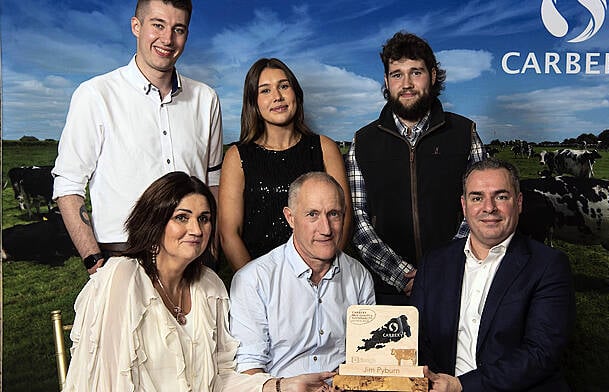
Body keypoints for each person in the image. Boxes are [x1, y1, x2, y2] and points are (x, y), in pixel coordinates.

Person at [63, 172, 335, 391]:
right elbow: (108, 384)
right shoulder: (123, 277)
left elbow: (219, 379)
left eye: (204, 219)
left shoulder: (209, 286)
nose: (196, 230)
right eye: (182, 217)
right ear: (156, 221)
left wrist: (281, 385)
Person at [52, 0, 223, 274]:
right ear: (136, 26)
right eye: (158, 25)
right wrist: (92, 258)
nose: (167, 39)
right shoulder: (95, 95)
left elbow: (212, 182)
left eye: (178, 29)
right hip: (121, 261)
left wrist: (211, 252)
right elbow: (68, 185)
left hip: (193, 262)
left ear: (187, 34)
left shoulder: (206, 99)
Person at [411, 159, 575, 391]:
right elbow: (417, 337)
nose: (489, 208)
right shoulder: (434, 263)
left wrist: (461, 386)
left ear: (518, 203)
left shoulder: (549, 266)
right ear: (464, 205)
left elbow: (541, 353)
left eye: (501, 196)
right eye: (477, 198)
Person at [346, 31, 485, 305]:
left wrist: (444, 267)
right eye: (397, 74)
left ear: (432, 76)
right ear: (386, 81)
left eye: (416, 72)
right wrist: (403, 274)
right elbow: (357, 219)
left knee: (454, 349)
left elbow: (481, 207)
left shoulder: (465, 133)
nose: (406, 83)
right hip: (386, 288)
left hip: (458, 281)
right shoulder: (362, 142)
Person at [229, 172, 375, 377]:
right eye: (312, 214)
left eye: (334, 214)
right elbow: (248, 369)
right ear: (290, 218)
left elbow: (369, 359)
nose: (326, 229)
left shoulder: (359, 277)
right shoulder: (254, 280)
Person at [219, 58, 352, 272]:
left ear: (296, 94)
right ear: (253, 101)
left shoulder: (325, 148)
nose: (277, 97)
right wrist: (256, 286)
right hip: (260, 283)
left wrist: (320, 272)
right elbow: (229, 234)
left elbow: (343, 218)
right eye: (265, 90)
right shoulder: (237, 157)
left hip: (321, 275)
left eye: (283, 86)